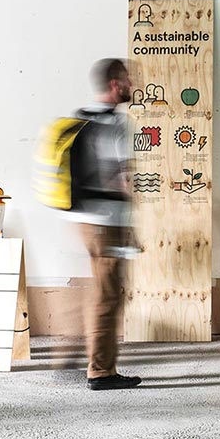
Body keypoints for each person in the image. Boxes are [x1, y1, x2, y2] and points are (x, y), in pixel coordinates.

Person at [70, 58, 142, 389]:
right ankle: (100, 371)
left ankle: (96, 363)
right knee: (108, 295)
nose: (131, 85)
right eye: (127, 79)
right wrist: (129, 225)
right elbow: (120, 178)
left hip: (84, 218)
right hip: (106, 220)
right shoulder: (115, 124)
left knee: (103, 291)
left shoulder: (81, 117)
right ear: (115, 84)